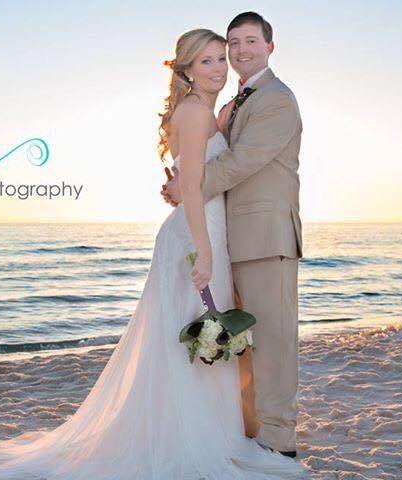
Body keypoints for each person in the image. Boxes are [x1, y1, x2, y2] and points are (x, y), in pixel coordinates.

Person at [0, 27, 306, 479]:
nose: (223, 64)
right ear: (185, 68)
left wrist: (183, 187)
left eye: (226, 55)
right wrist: (196, 225)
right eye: (211, 58)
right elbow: (200, 176)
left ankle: (253, 436)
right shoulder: (208, 111)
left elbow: (231, 166)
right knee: (198, 337)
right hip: (206, 234)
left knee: (221, 339)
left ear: (268, 47)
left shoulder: (258, 101)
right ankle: (202, 435)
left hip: (239, 234)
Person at [162, 12, 304, 458]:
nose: (239, 52)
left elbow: (243, 161)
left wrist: (187, 185)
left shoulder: (277, 99)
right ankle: (250, 430)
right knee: (240, 345)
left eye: (249, 42)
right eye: (232, 44)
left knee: (274, 343)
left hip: (265, 238)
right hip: (229, 240)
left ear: (269, 47)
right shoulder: (232, 102)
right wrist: (185, 184)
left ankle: (278, 440)